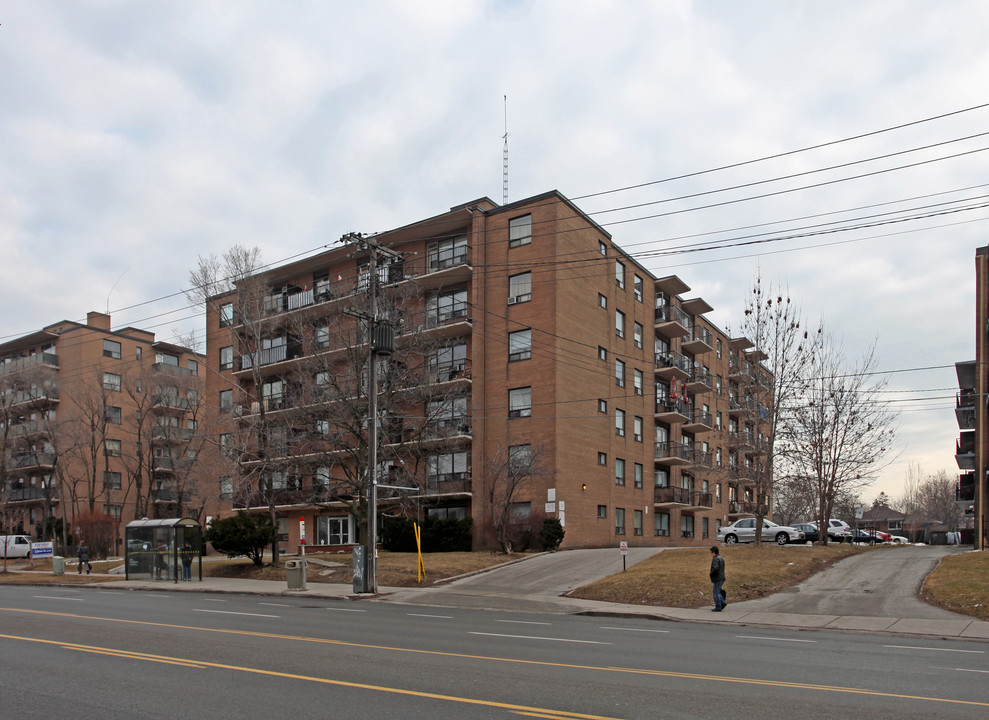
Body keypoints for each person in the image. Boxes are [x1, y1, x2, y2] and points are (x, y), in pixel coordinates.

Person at [709, 545, 726, 612]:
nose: (711, 554)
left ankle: (718, 606)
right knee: (718, 591)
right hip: (722, 577)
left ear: (714, 552)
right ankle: (722, 602)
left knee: (716, 592)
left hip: (717, 578)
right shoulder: (721, 558)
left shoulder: (716, 559)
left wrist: (711, 574)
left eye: (711, 553)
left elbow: (715, 568)